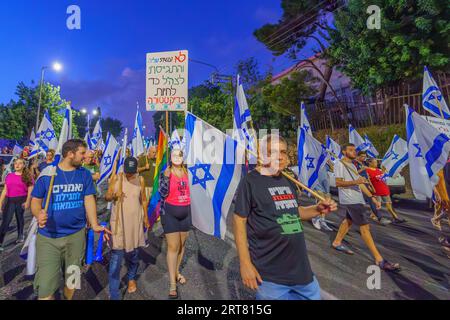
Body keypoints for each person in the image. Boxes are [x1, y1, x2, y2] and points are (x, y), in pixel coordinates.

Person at [233, 134, 337, 300]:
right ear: (262, 155)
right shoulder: (250, 182)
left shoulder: (287, 180)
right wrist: (245, 264)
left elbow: (296, 212)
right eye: (273, 152)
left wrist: (317, 209)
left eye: (282, 152)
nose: (279, 157)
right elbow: (239, 221)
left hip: (302, 273)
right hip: (270, 276)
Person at [30, 139, 111, 300]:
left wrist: (94, 224)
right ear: (70, 154)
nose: (85, 156)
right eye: (82, 153)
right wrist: (38, 213)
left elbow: (89, 199)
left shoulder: (84, 174)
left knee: (72, 280)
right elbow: (35, 202)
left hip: (76, 236)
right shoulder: (48, 174)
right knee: (45, 289)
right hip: (49, 238)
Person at [331, 143, 401, 272]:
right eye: (350, 150)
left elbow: (361, 184)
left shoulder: (352, 165)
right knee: (365, 228)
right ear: (344, 151)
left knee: (348, 221)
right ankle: (379, 259)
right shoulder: (339, 164)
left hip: (357, 198)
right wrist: (356, 182)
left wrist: (372, 198)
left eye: (354, 150)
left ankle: (337, 242)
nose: (354, 152)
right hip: (350, 200)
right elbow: (338, 183)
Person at [105, 156, 148, 300]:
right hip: (118, 224)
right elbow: (107, 196)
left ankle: (131, 278)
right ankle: (114, 294)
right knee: (116, 261)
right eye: (127, 171)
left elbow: (143, 199)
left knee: (134, 256)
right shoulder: (117, 178)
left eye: (132, 171)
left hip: (135, 224)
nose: (129, 174)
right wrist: (113, 195)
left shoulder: (140, 179)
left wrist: (146, 218)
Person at [158, 148, 191, 299]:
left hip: (186, 213)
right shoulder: (166, 173)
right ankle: (172, 283)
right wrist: (165, 178)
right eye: (175, 156)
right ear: (171, 158)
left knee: (182, 246)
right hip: (170, 213)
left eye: (180, 156)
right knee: (173, 246)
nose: (178, 158)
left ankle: (177, 272)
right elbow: (162, 193)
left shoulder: (188, 172)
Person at [0, 158, 34, 250]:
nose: (17, 165)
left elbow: (30, 190)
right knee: (5, 221)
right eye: (15, 163)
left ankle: (20, 235)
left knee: (19, 218)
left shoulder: (28, 176)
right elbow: (5, 190)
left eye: (19, 163)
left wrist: (28, 201)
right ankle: (0, 242)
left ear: (24, 165)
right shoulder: (9, 175)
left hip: (21, 200)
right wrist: (0, 202)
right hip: (9, 200)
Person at [354, 151, 391, 226]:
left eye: (365, 156)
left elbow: (367, 175)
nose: (364, 158)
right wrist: (361, 169)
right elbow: (353, 173)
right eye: (362, 156)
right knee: (360, 202)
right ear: (358, 156)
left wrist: (370, 184)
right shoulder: (354, 163)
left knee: (370, 200)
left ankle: (379, 217)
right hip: (359, 184)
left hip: (366, 184)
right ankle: (358, 218)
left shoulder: (364, 163)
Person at [366, 158, 405, 224]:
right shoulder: (367, 171)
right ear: (370, 163)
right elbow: (367, 181)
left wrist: (386, 172)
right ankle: (377, 218)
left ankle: (395, 218)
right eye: (375, 162)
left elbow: (383, 177)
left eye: (376, 162)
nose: (376, 164)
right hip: (376, 191)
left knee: (389, 204)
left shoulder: (378, 170)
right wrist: (370, 189)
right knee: (377, 206)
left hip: (384, 190)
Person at [311, 161, 334, 231]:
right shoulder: (314, 161)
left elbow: (333, 170)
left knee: (326, 203)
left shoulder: (325, 162)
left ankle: (322, 220)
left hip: (326, 187)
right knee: (321, 201)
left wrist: (329, 162)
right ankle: (315, 218)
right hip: (316, 185)